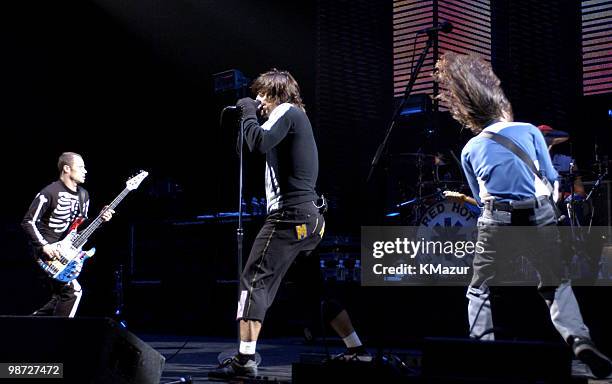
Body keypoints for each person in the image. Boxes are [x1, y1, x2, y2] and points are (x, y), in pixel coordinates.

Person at [433, 52, 612, 379]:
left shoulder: (470, 148)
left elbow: (478, 196)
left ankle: (481, 349)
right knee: (555, 285)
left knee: (480, 287)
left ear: (471, 113)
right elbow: (551, 177)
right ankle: (579, 340)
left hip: (497, 219)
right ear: (500, 105)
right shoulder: (528, 130)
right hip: (539, 214)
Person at [211, 69, 368, 379]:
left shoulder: (287, 110)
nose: (257, 100)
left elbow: (258, 142)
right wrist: (249, 120)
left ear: (276, 94)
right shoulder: (292, 117)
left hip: (290, 217)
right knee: (314, 291)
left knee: (253, 280)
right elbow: (254, 143)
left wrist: (245, 112)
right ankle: (357, 350)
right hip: (308, 219)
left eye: (261, 95)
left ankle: (244, 361)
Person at [22, 152, 113, 318]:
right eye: (80, 167)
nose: (85, 171)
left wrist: (100, 218)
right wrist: (43, 245)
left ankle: (29, 326)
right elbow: (28, 221)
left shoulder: (83, 195)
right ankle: (59, 338)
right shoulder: (49, 192)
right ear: (67, 169)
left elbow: (79, 226)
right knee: (73, 292)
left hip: (66, 252)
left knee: (61, 296)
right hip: (46, 253)